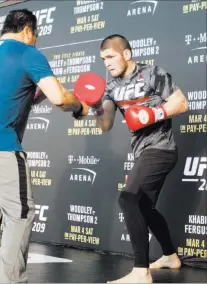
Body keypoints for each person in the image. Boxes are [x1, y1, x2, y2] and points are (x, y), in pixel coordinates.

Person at [0, 9, 87, 283]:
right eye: (35, 37)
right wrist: (79, 106)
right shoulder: (28, 53)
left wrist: (38, 95)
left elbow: (12, 92)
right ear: (28, 31)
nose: (35, 42)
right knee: (20, 213)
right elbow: (60, 99)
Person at [84, 34, 188, 283]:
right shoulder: (110, 87)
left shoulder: (152, 73)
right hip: (142, 152)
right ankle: (170, 256)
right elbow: (106, 125)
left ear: (127, 54)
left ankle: (141, 272)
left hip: (161, 149)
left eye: (111, 56)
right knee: (144, 207)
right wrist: (96, 107)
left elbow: (181, 103)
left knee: (128, 198)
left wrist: (153, 114)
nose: (107, 63)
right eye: (103, 59)